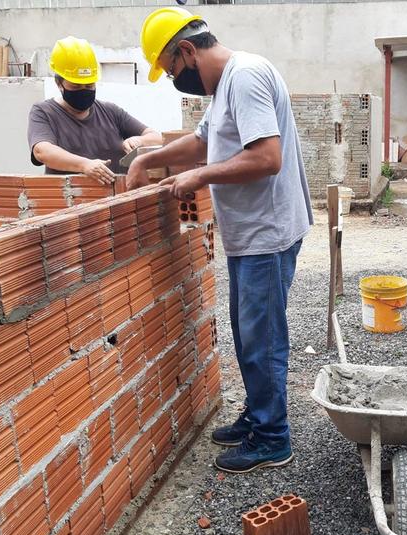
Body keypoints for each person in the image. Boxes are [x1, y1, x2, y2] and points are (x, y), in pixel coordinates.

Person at [128, 7, 313, 473]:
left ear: (187, 51)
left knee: (262, 338)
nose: (175, 79)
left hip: (266, 235)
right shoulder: (225, 85)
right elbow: (202, 141)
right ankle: (258, 416)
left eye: (172, 69)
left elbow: (266, 158)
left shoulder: (245, 77)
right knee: (248, 333)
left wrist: (198, 178)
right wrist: (146, 160)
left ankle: (273, 437)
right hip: (250, 235)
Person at [28, 36, 162, 185]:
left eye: (89, 86)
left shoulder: (110, 112)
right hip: (70, 202)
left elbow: (156, 137)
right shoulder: (44, 112)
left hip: (115, 201)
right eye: (76, 86)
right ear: (59, 83)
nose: (83, 91)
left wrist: (140, 140)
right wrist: (84, 165)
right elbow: (42, 151)